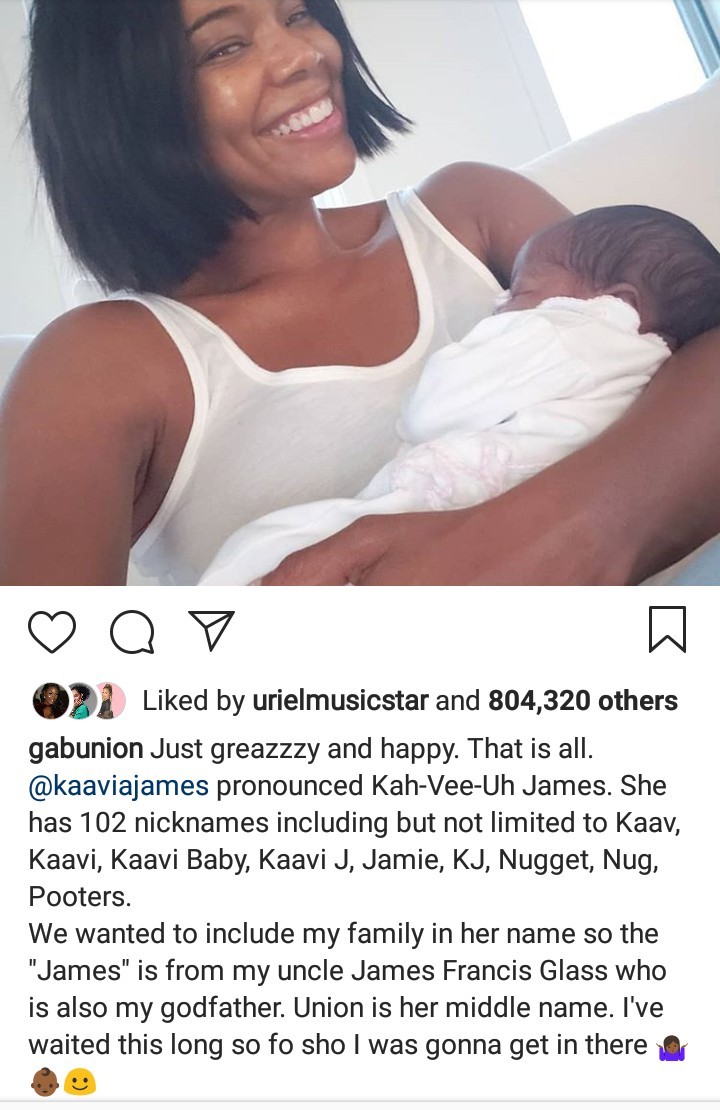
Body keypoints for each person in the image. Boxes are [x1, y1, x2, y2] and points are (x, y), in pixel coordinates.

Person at [2, 0, 720, 586]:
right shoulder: (98, 366)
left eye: (298, 13)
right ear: (120, 108)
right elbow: (47, 692)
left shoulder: (468, 213)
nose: (304, 53)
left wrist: (538, 544)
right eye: (225, 47)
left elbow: (692, 348)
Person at [200, 204, 720, 584]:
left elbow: (434, 412)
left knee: (266, 547)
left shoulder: (574, 333)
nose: (501, 304)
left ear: (615, 304)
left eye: (522, 290)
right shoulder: (655, 370)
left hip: (442, 504)